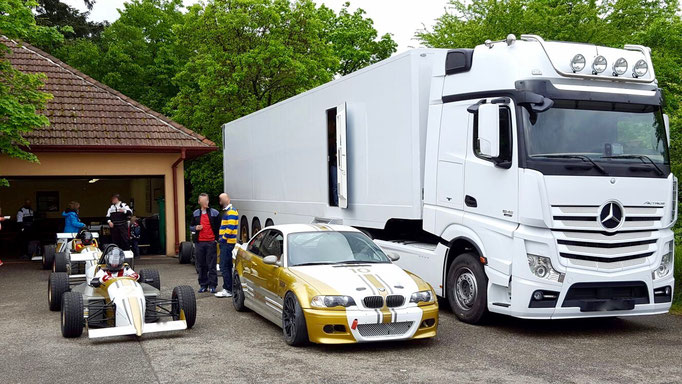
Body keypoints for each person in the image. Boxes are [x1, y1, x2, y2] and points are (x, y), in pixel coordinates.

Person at [190, 193, 221, 293]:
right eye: (202, 201)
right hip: (199, 243)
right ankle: (203, 284)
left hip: (211, 242)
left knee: (211, 265)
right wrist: (195, 228)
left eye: (206, 201)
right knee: (201, 265)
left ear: (208, 201)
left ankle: (213, 285)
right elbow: (190, 227)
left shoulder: (214, 213)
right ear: (199, 202)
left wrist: (217, 239)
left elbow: (220, 226)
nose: (204, 203)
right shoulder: (195, 213)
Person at [215, 193, 239, 298]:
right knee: (227, 266)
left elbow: (231, 227)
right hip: (228, 242)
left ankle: (227, 289)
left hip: (227, 243)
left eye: (221, 200)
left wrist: (223, 239)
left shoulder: (231, 211)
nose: (220, 202)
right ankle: (228, 288)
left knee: (224, 266)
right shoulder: (230, 211)